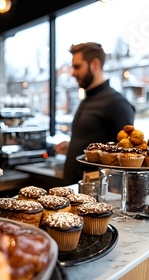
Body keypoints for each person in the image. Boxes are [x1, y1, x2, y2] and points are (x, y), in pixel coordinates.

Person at [54, 42, 135, 185]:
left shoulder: (116, 103)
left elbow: (127, 154)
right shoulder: (88, 99)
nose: (73, 73)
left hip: (97, 195)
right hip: (75, 188)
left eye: (78, 67)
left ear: (95, 64)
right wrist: (72, 146)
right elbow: (94, 141)